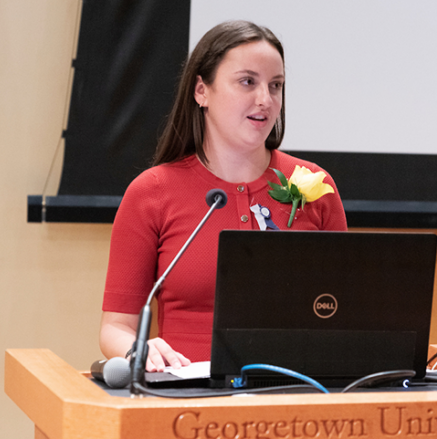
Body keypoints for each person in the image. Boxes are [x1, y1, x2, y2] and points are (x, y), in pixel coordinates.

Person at [99, 20, 347, 372]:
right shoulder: (151, 193)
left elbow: (345, 315)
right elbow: (115, 327)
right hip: (188, 401)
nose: (265, 99)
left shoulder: (315, 185)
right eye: (248, 82)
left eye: (275, 86)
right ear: (202, 91)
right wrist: (138, 349)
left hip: (295, 397)